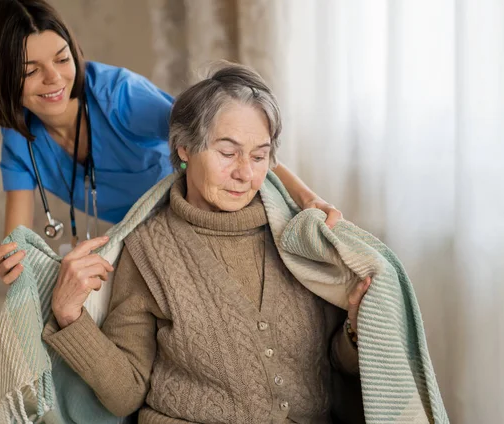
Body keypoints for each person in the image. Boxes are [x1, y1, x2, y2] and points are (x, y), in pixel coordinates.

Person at [43, 63, 371, 423]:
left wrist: (355, 328)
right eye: (228, 153)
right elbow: (126, 394)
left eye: (259, 156)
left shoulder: (298, 237)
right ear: (184, 149)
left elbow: (334, 366)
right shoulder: (148, 251)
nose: (245, 173)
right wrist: (69, 316)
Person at [0, 0, 344, 285]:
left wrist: (306, 198)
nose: (54, 79)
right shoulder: (20, 137)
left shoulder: (120, 96)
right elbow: (17, 241)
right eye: (30, 71)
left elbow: (234, 139)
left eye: (62, 59)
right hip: (140, 243)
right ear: (1, 79)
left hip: (202, 221)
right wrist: (13, 262)